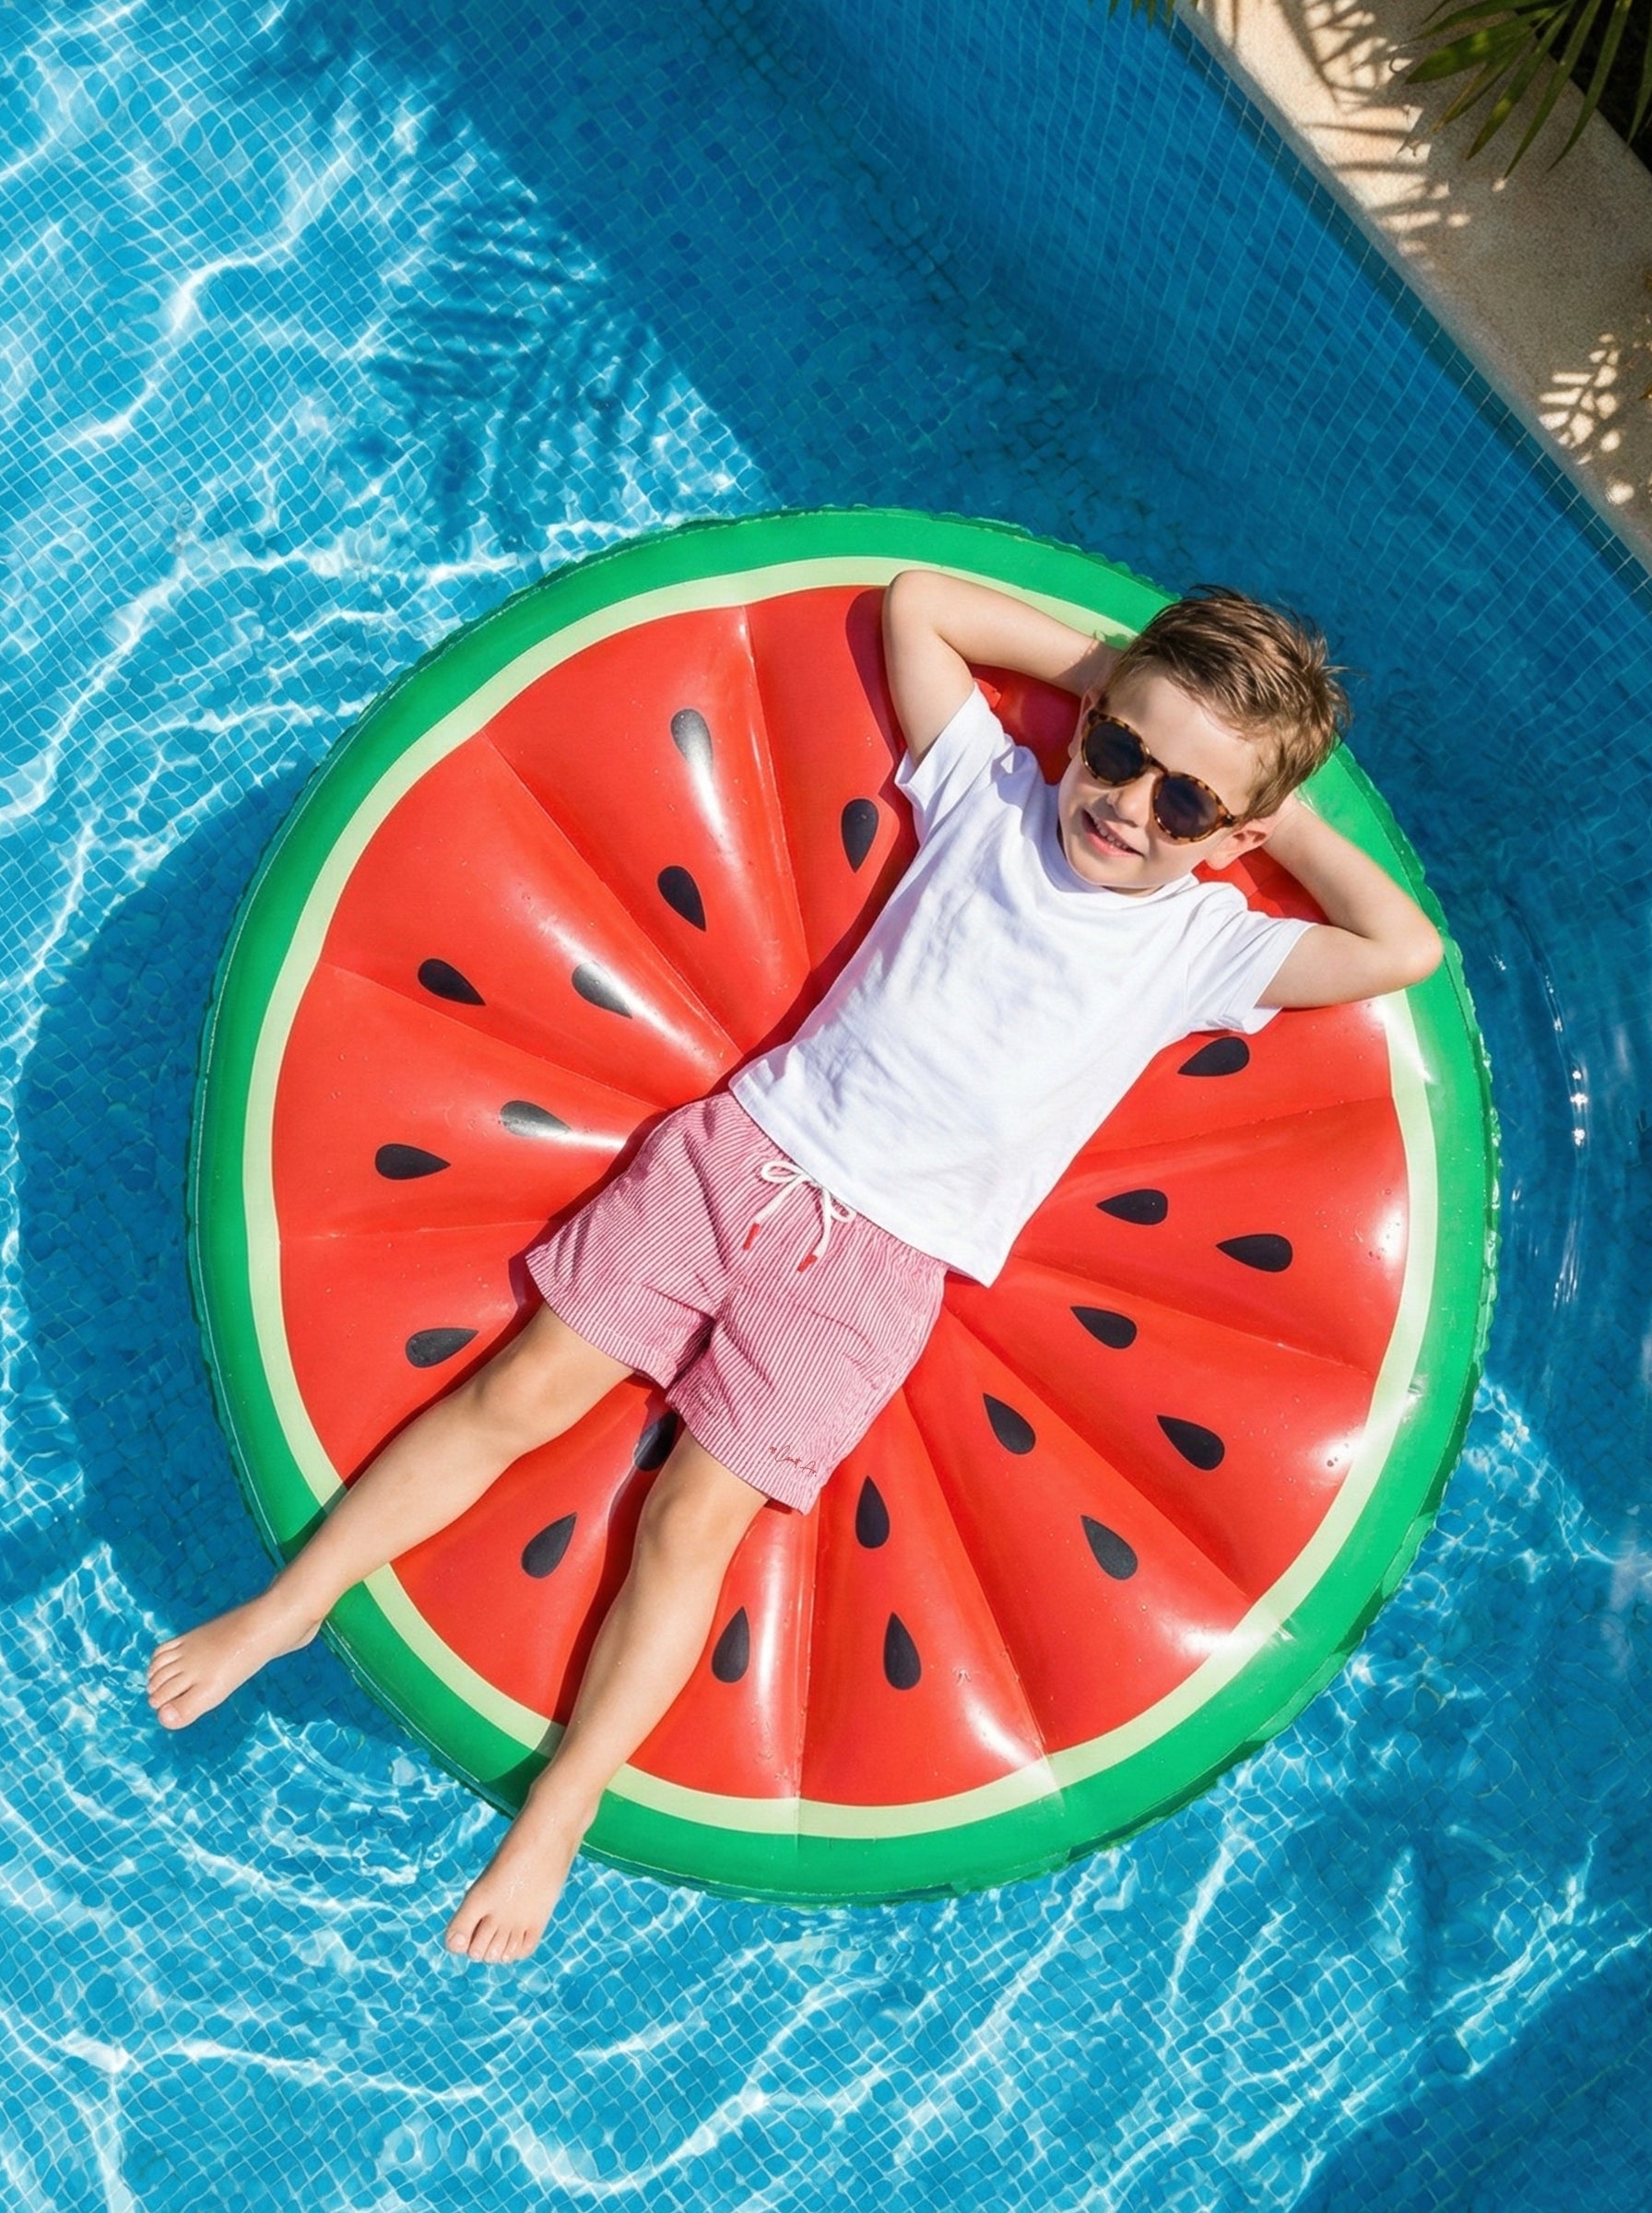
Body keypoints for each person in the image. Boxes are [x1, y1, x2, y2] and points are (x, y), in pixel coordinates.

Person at [147, 566, 1442, 1962]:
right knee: (514, 1396)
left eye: (1182, 803)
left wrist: (1280, 812)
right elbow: (920, 604)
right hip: (739, 1155)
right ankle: (289, 1608)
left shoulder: (1201, 947)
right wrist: (1113, 685)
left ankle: (565, 1801)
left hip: (879, 1271)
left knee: (690, 1526)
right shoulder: (993, 795)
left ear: (1236, 834)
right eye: (1121, 750)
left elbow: (1405, 948)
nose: (1127, 804)